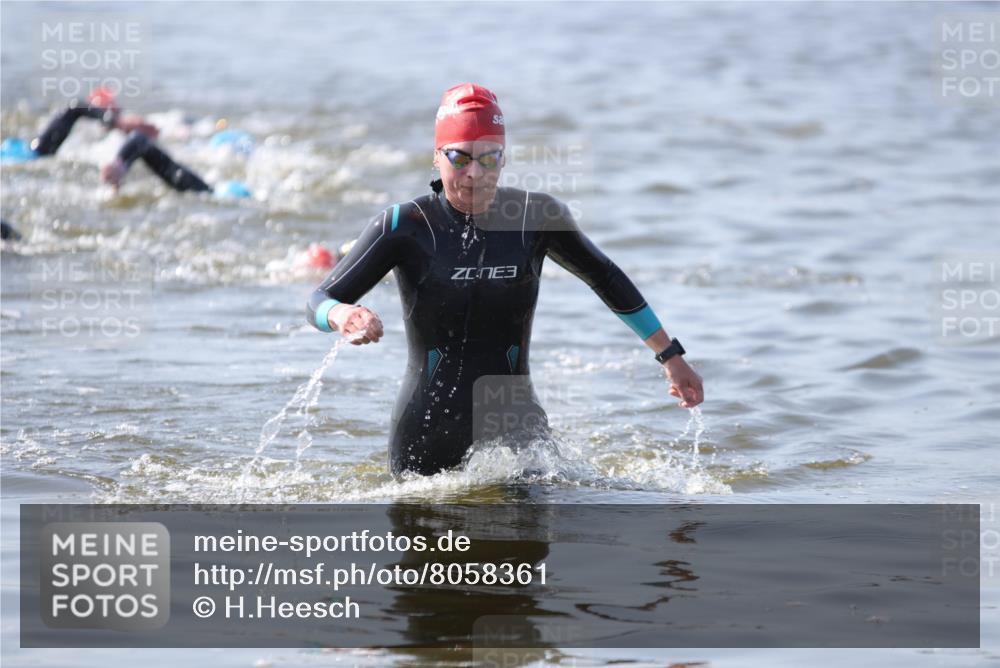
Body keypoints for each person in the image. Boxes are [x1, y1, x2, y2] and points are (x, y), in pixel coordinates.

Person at [306, 83, 704, 476]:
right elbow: (319, 299)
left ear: (504, 158)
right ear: (436, 157)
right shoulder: (404, 225)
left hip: (518, 433)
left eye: (489, 159)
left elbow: (605, 278)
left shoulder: (537, 217)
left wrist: (670, 356)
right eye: (459, 159)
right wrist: (341, 314)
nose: (475, 174)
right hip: (426, 432)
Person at [1, 87, 249, 198]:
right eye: (101, 105)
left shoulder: (211, 191)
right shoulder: (210, 190)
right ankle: (121, 164)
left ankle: (120, 164)